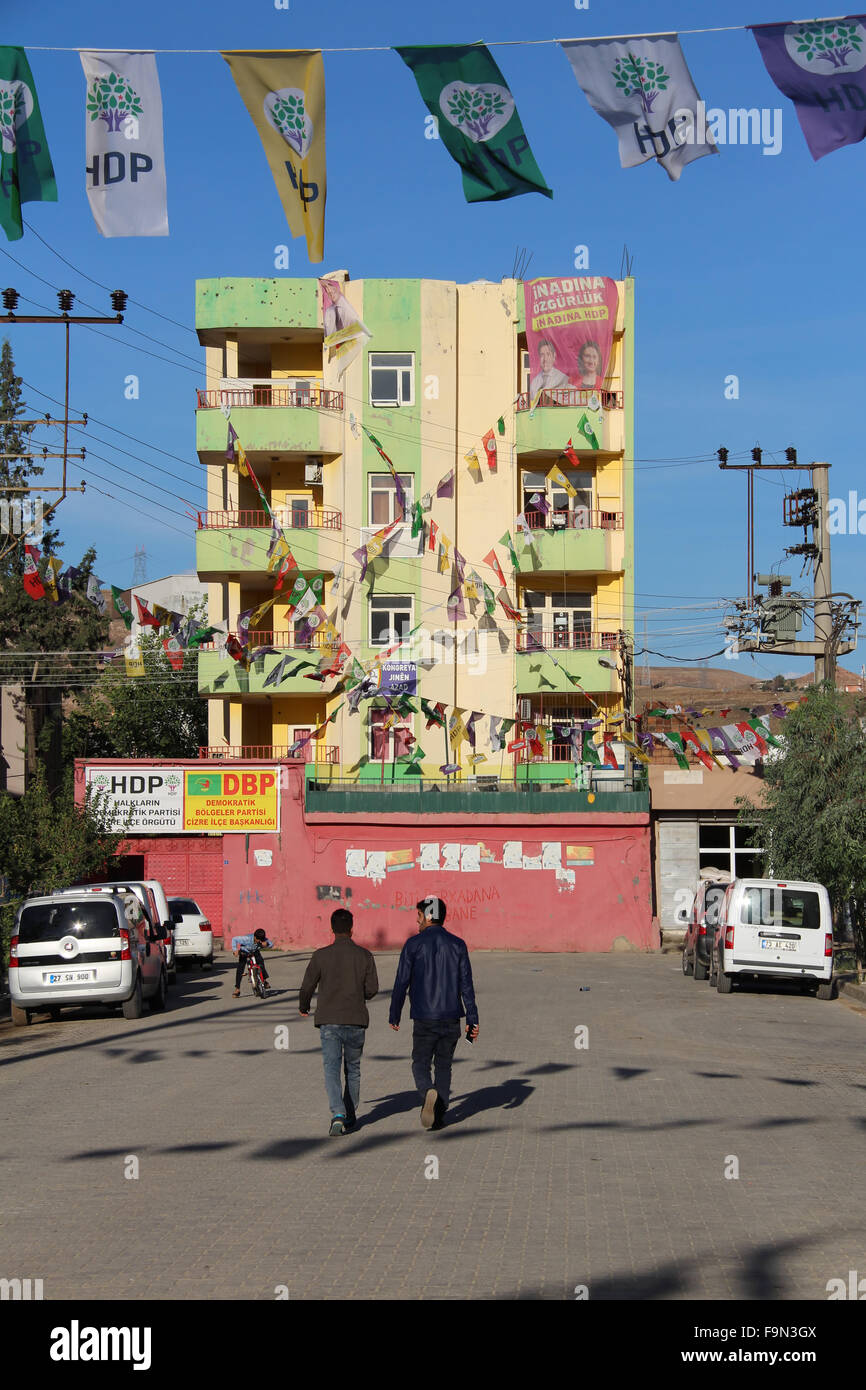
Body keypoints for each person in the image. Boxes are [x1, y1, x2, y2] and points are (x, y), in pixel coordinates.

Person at [389, 897, 479, 1130]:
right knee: (444, 1066)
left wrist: (394, 1013)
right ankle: (439, 1115)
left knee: (420, 1063)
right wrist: (472, 1019)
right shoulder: (458, 944)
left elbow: (401, 982)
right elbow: (466, 985)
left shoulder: (413, 944)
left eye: (418, 915)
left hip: (424, 1017)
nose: (416, 920)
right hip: (451, 1017)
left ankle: (427, 1091)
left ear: (428, 916)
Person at [299, 908, 379, 1136]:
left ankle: (338, 1113)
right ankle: (351, 1115)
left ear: (332, 929)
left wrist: (304, 1006)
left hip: (329, 1022)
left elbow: (307, 986)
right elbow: (372, 989)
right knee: (352, 1069)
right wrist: (357, 993)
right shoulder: (364, 956)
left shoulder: (320, 955)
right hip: (356, 1020)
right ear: (352, 929)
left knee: (331, 1069)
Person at [231, 928, 272, 998]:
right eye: (258, 940)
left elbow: (271, 944)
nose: (259, 941)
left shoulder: (262, 939)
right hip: (244, 952)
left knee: (261, 963)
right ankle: (237, 989)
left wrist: (267, 944)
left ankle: (264, 981)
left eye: (261, 940)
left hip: (255, 952)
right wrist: (235, 950)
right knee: (240, 969)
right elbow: (234, 939)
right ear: (254, 937)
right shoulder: (246, 939)